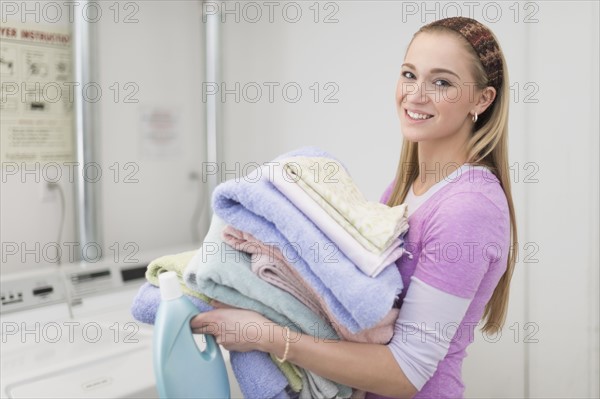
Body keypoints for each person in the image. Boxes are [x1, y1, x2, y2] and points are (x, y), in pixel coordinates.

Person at [191, 16, 518, 399]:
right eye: (409, 75)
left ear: (482, 99)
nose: (415, 94)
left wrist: (267, 336)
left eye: (441, 82)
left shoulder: (468, 208)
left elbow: (405, 373)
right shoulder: (402, 189)